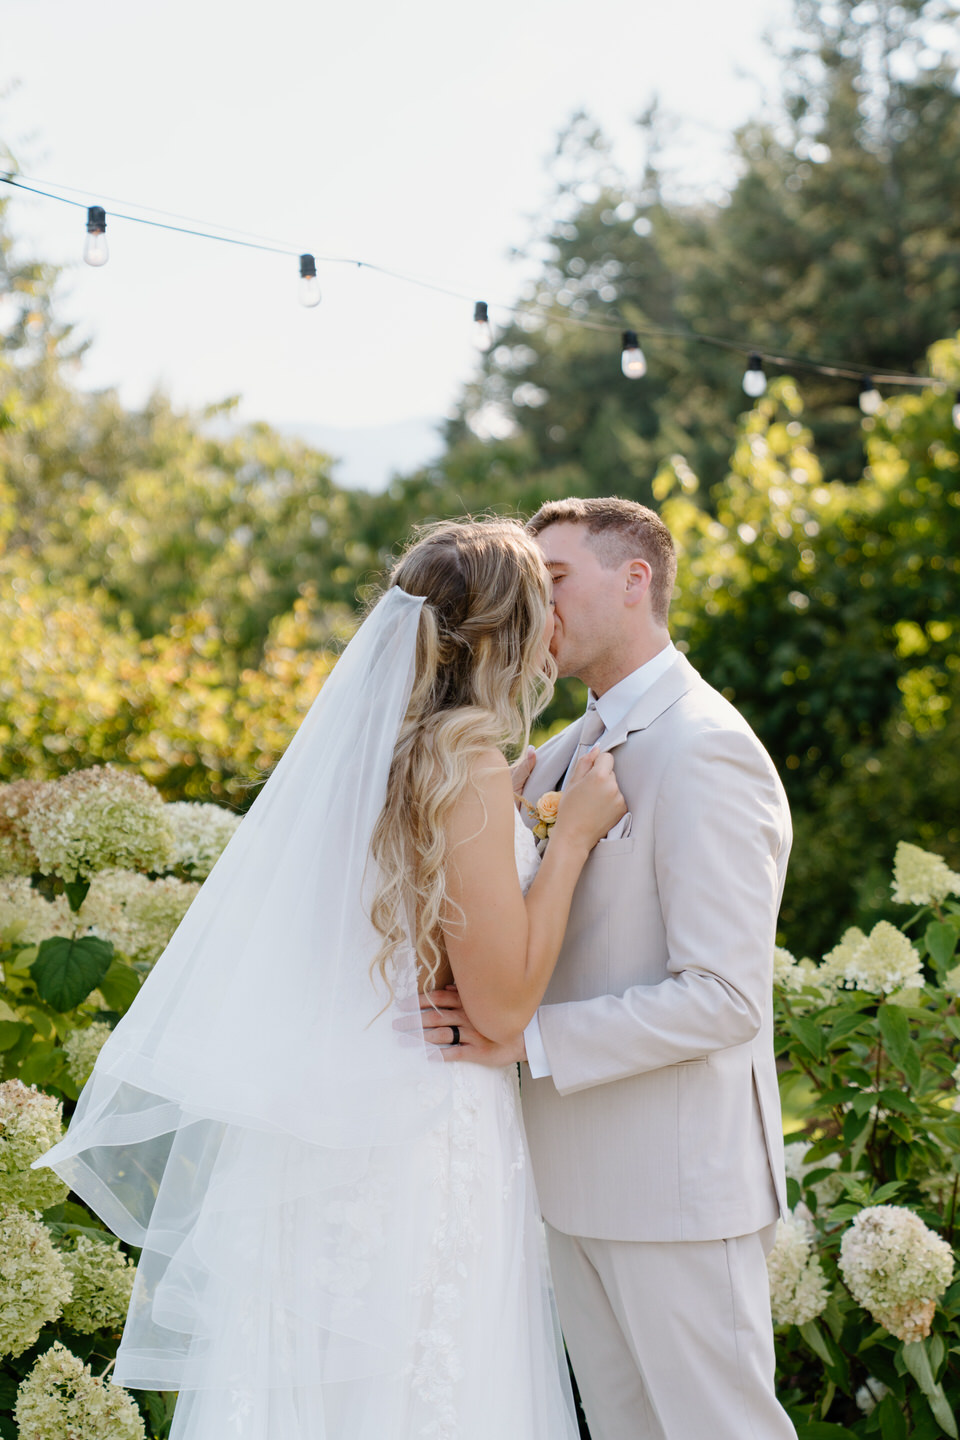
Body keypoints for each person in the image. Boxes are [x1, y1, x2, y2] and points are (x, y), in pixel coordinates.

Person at [32, 517, 625, 1440]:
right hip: (430, 1121)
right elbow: (503, 1000)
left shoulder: (381, 757)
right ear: (508, 636)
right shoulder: (461, 764)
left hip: (342, 1120)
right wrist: (572, 838)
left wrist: (510, 805)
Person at [420, 497, 797, 1440]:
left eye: (554, 582)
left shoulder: (706, 749)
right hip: (567, 1180)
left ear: (636, 583)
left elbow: (727, 998)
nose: (536, 609)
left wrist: (519, 1039)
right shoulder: (555, 752)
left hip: (673, 1189)